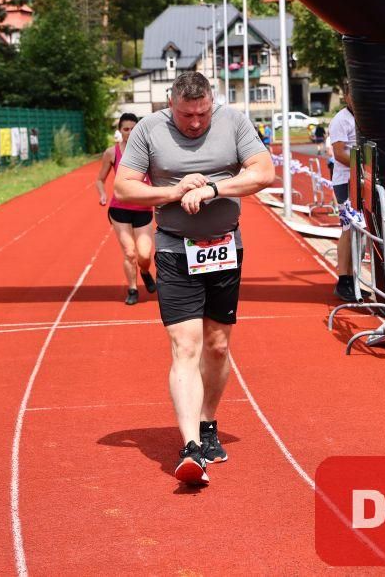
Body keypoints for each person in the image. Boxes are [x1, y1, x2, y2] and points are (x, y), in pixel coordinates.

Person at [114, 71, 274, 486]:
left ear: (211, 102)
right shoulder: (149, 130)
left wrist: (212, 190)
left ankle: (207, 424)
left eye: (203, 113)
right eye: (187, 115)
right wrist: (174, 191)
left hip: (224, 247)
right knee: (185, 346)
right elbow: (125, 188)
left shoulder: (233, 122)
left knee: (217, 346)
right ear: (172, 105)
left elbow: (263, 173)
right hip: (174, 248)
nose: (196, 123)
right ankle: (190, 446)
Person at [96, 113, 157, 305]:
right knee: (130, 252)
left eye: (133, 128)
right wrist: (103, 194)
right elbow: (100, 179)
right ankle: (132, 289)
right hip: (119, 209)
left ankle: (145, 271)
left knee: (144, 255)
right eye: (126, 129)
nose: (130, 132)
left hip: (143, 208)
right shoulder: (111, 153)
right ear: (119, 131)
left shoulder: (149, 151)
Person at [329, 79, 360, 302]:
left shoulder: (362, 116)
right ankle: (343, 280)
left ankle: (353, 279)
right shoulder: (341, 120)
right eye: (353, 96)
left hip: (361, 181)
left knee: (360, 231)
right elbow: (339, 153)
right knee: (348, 229)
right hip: (345, 182)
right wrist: (363, 166)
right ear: (346, 96)